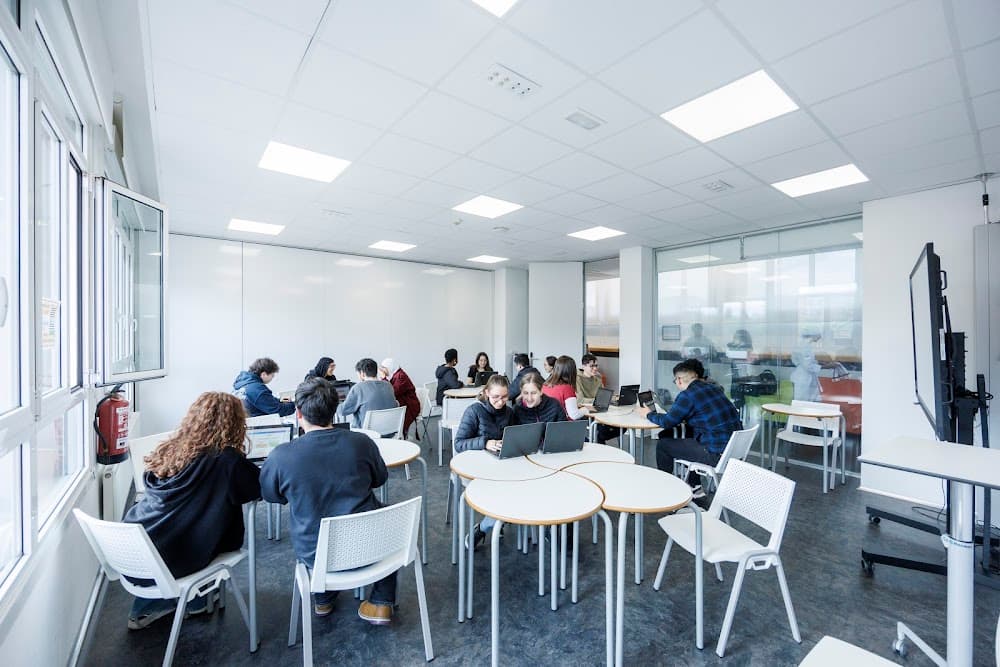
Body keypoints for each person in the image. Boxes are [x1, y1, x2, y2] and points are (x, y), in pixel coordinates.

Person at [260, 378, 396, 624]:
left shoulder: (281, 456)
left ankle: (323, 599)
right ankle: (381, 603)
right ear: (335, 409)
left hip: (315, 554)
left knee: (313, 524)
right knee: (384, 517)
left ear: (298, 413)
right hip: (369, 546)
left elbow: (271, 496)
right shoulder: (362, 443)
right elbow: (380, 479)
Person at [123, 392, 261, 629]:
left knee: (192, 525)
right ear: (236, 423)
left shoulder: (173, 449)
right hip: (172, 559)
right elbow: (257, 488)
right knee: (213, 529)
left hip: (134, 550)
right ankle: (191, 600)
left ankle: (183, 603)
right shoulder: (227, 460)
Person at [637, 359, 742, 493]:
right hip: (733, 451)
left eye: (675, 381)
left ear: (679, 380)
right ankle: (694, 486)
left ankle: (664, 487)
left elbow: (667, 422)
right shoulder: (714, 388)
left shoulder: (687, 395)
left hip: (715, 454)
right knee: (686, 436)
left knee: (664, 445)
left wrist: (648, 414)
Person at [454, 374, 518, 548]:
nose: (501, 401)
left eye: (505, 397)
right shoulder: (474, 411)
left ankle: (491, 523)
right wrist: (485, 443)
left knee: (518, 488)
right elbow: (459, 443)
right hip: (475, 470)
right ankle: (485, 527)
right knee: (507, 493)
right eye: (496, 397)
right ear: (486, 393)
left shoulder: (509, 413)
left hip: (501, 467)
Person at [339, 358, 398, 429]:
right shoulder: (388, 385)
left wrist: (335, 403)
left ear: (362, 373)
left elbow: (342, 411)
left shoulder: (358, 388)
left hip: (367, 434)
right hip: (389, 432)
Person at [380, 357, 420, 440]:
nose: (382, 371)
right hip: (403, 403)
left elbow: (392, 392)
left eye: (384, 368)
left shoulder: (401, 376)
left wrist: (383, 378)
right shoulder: (395, 374)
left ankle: (399, 436)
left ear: (389, 367)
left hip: (410, 406)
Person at [542, 355, 592, 420]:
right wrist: (586, 409)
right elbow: (574, 415)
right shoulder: (567, 388)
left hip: (549, 424)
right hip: (563, 426)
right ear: (572, 372)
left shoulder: (545, 385)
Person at [790, 331, 823, 401]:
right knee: (801, 403)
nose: (819, 338)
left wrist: (818, 363)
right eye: (818, 336)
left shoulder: (803, 345)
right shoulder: (805, 347)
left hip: (803, 376)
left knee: (806, 401)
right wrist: (825, 366)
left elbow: (797, 361)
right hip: (803, 379)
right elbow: (808, 366)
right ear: (813, 335)